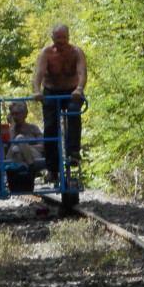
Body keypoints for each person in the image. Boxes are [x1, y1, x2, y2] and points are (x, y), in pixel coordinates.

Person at [33, 23, 87, 182]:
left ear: (68, 37)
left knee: (73, 113)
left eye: (64, 37)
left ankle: (73, 153)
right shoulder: (47, 53)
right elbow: (39, 73)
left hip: (72, 93)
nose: (61, 41)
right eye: (58, 37)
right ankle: (52, 169)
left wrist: (79, 88)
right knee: (50, 129)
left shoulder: (76, 52)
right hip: (51, 92)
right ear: (53, 38)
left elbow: (82, 73)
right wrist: (37, 90)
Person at [6, 101, 44, 173]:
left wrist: (24, 146)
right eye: (12, 114)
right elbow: (8, 145)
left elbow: (41, 146)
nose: (14, 117)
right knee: (19, 140)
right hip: (11, 155)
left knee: (17, 148)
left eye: (17, 114)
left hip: (34, 154)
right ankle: (31, 167)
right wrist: (12, 127)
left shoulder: (33, 128)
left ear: (25, 114)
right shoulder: (10, 130)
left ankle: (21, 180)